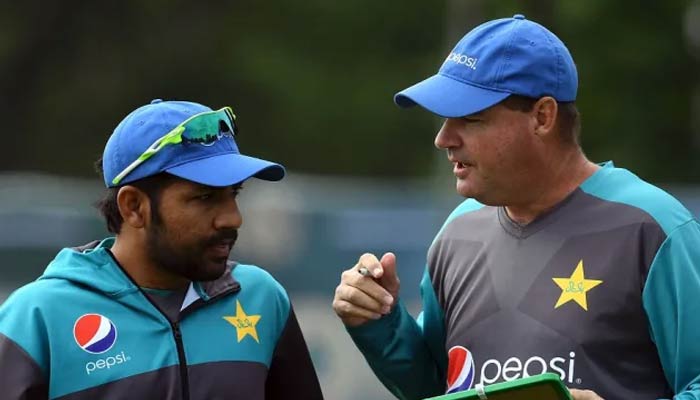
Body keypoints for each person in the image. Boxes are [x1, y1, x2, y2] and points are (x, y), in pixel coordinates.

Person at [332, 14, 700, 400]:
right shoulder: (459, 233)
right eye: (444, 119)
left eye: (470, 118)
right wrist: (380, 322)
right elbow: (438, 386)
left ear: (542, 117)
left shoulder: (652, 227)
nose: (443, 138)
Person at [0, 99, 324, 399]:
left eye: (234, 194)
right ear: (134, 207)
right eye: (205, 197)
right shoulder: (37, 317)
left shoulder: (261, 298)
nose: (233, 218)